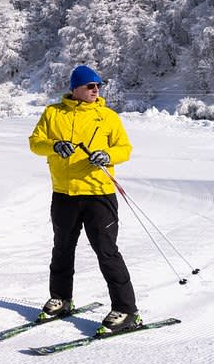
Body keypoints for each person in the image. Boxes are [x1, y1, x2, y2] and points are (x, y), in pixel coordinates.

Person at [27, 65, 141, 335]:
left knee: (107, 251)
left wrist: (107, 155)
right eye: (90, 86)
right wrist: (54, 146)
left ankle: (126, 310)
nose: (96, 90)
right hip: (64, 194)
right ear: (75, 88)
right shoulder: (53, 113)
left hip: (98, 193)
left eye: (98, 86)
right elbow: (35, 142)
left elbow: (125, 148)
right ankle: (61, 299)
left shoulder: (107, 116)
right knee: (62, 248)